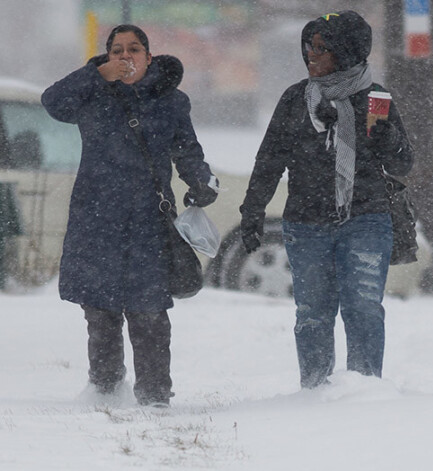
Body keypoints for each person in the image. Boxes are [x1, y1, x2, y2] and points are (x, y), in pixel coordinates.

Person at [42, 24, 218, 407]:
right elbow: (52, 102)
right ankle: (104, 392)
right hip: (96, 216)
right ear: (107, 57)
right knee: (100, 312)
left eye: (134, 49)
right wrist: (95, 75)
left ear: (148, 57)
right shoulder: (91, 95)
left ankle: (155, 398)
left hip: (149, 220)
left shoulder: (170, 100)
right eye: (116, 50)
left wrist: (202, 181)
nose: (125, 56)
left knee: (149, 312)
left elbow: (188, 151)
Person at [240, 11, 413, 388]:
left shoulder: (376, 98)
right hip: (306, 223)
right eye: (309, 46)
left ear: (347, 51)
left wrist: (385, 136)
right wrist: (252, 209)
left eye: (322, 48)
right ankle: (314, 393)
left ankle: (364, 391)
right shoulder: (294, 99)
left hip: (367, 218)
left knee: (364, 309)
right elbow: (270, 159)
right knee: (313, 313)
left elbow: (403, 162)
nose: (311, 55)